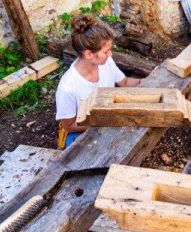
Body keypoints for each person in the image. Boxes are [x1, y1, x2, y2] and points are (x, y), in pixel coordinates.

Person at [55, 14, 142, 147]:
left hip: (107, 116)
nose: (110, 54)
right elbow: (69, 125)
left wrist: (147, 81)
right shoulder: (68, 88)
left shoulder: (106, 63)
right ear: (89, 54)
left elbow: (124, 82)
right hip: (81, 130)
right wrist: (104, 122)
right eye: (106, 51)